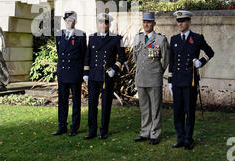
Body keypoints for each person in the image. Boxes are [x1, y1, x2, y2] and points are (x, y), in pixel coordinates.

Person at [168, 10, 214, 150]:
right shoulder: (174, 39)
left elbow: (210, 52)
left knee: (189, 110)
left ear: (189, 22)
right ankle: (180, 138)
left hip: (190, 80)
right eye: (178, 21)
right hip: (176, 80)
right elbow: (172, 61)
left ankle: (188, 138)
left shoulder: (197, 38)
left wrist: (200, 62)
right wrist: (170, 80)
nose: (180, 23)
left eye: (182, 21)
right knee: (178, 111)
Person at [83, 13, 126, 140]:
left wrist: (114, 68)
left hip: (107, 76)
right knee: (92, 104)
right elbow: (87, 56)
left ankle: (104, 130)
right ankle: (92, 130)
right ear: (98, 24)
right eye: (100, 23)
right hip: (93, 76)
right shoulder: (92, 38)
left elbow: (122, 56)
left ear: (109, 24)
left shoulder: (117, 38)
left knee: (106, 104)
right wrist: (86, 73)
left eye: (105, 23)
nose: (102, 25)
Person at [133, 12, 169, 145]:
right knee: (144, 107)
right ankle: (145, 132)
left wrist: (157, 71)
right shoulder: (137, 38)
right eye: (144, 22)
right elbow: (135, 58)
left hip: (154, 78)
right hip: (141, 78)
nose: (146, 24)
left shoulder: (160, 39)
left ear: (154, 23)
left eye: (149, 22)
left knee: (155, 107)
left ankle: (155, 133)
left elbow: (165, 59)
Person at [53, 11, 87, 136]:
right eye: (66, 20)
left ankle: (74, 127)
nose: (68, 23)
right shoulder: (59, 34)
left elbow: (84, 55)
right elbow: (59, 52)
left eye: (71, 20)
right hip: (63, 72)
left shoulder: (81, 35)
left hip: (75, 73)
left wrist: (84, 73)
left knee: (76, 101)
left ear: (75, 22)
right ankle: (62, 126)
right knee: (62, 101)